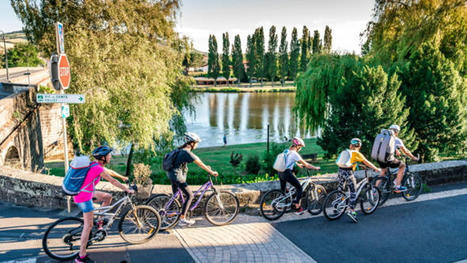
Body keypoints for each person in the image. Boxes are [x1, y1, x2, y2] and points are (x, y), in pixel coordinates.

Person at [74, 146, 134, 263]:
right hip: (83, 196)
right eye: (109, 155)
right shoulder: (98, 169)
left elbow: (109, 173)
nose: (110, 156)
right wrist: (127, 189)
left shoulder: (95, 165)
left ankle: (100, 222)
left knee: (107, 197)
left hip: (86, 192)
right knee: (88, 226)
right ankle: (81, 257)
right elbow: (112, 181)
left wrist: (122, 177)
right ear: (103, 158)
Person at [167, 132, 218, 226]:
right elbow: (198, 163)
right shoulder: (186, 152)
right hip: (177, 177)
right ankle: (182, 219)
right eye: (196, 143)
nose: (197, 145)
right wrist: (211, 172)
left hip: (172, 175)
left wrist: (206, 166)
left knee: (176, 197)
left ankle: (169, 215)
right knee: (190, 196)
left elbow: (197, 158)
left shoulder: (182, 150)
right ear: (191, 143)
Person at [336, 138, 381, 223]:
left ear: (350, 145)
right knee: (353, 192)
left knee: (340, 188)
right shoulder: (357, 153)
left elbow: (351, 161)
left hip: (340, 170)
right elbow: (367, 163)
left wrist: (358, 165)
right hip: (348, 173)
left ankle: (337, 205)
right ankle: (351, 210)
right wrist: (376, 169)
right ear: (359, 146)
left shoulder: (346, 151)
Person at [278, 137, 320, 215]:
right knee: (299, 188)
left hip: (280, 172)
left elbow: (288, 160)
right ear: (297, 146)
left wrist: (297, 164)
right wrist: (315, 167)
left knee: (283, 191)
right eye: (300, 147)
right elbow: (307, 165)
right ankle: (297, 207)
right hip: (286, 173)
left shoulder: (287, 151)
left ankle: (279, 205)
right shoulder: (295, 153)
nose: (300, 148)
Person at [377, 124, 419, 192]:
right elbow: (406, 151)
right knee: (402, 166)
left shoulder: (384, 137)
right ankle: (397, 186)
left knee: (382, 173)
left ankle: (374, 190)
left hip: (379, 157)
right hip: (388, 159)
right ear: (396, 132)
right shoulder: (396, 139)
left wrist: (396, 149)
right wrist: (413, 157)